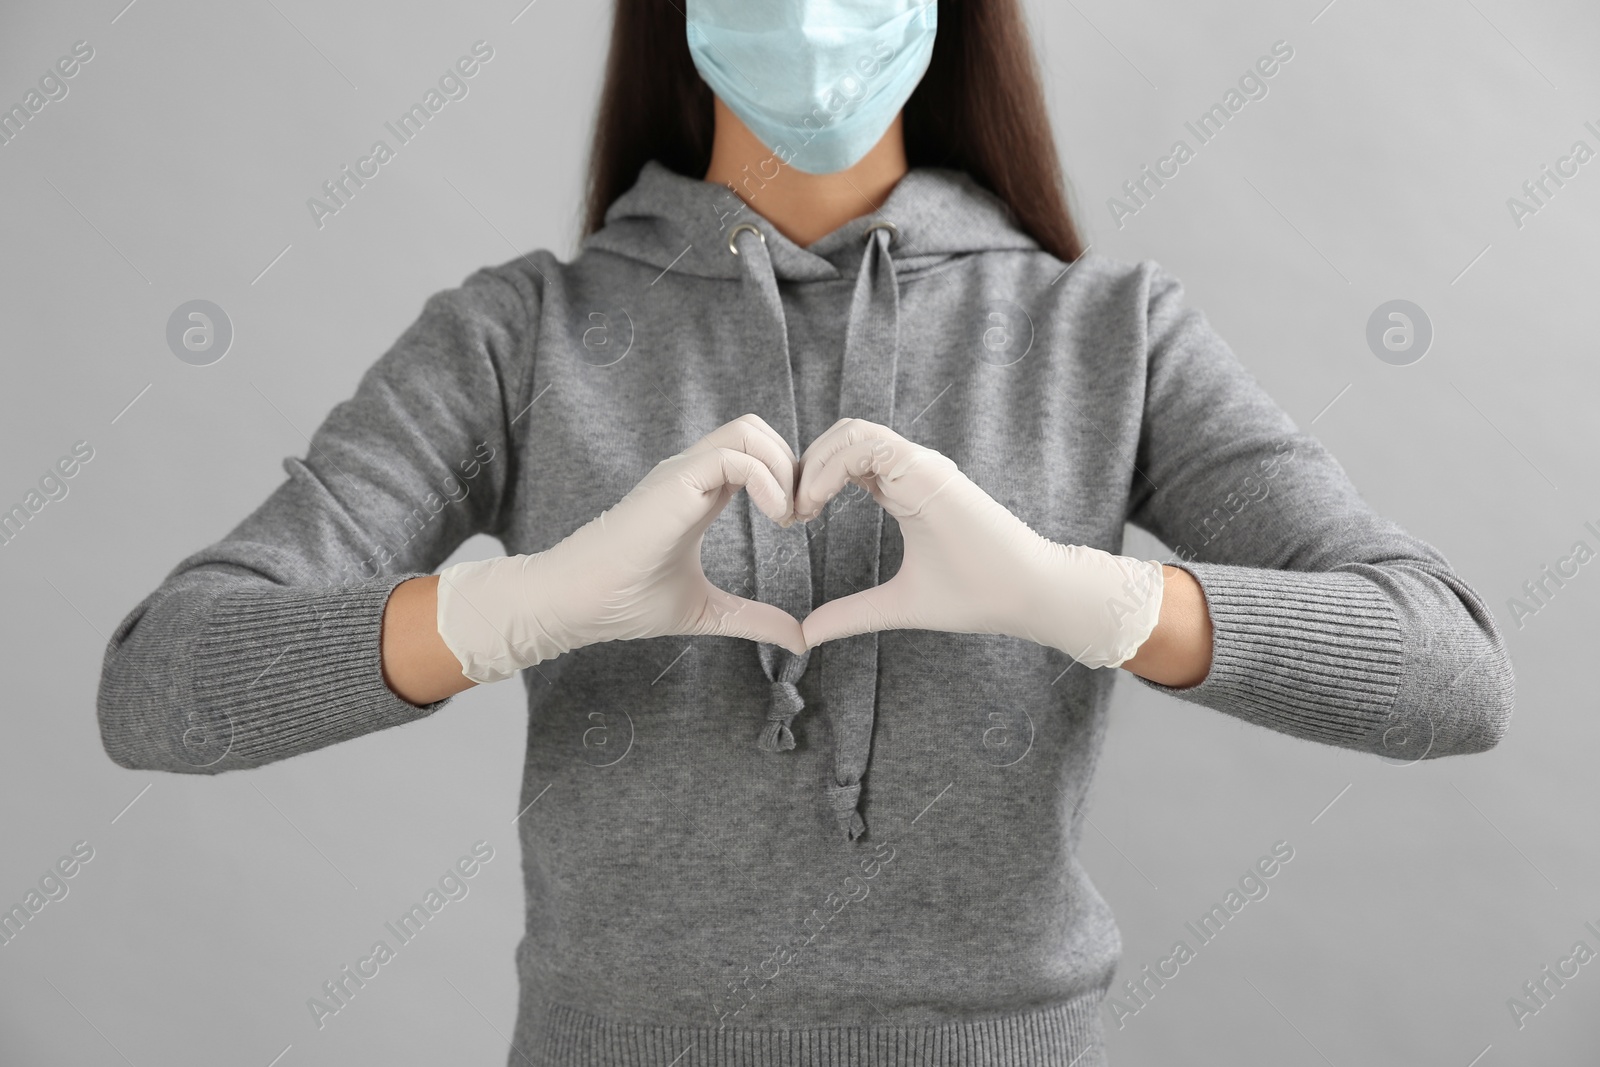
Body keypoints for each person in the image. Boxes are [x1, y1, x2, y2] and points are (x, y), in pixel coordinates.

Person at [96, 0, 1515, 1063]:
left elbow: (1450, 670)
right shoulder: (522, 338)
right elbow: (163, 684)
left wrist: (1099, 604)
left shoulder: (1107, 335)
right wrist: (502, 615)